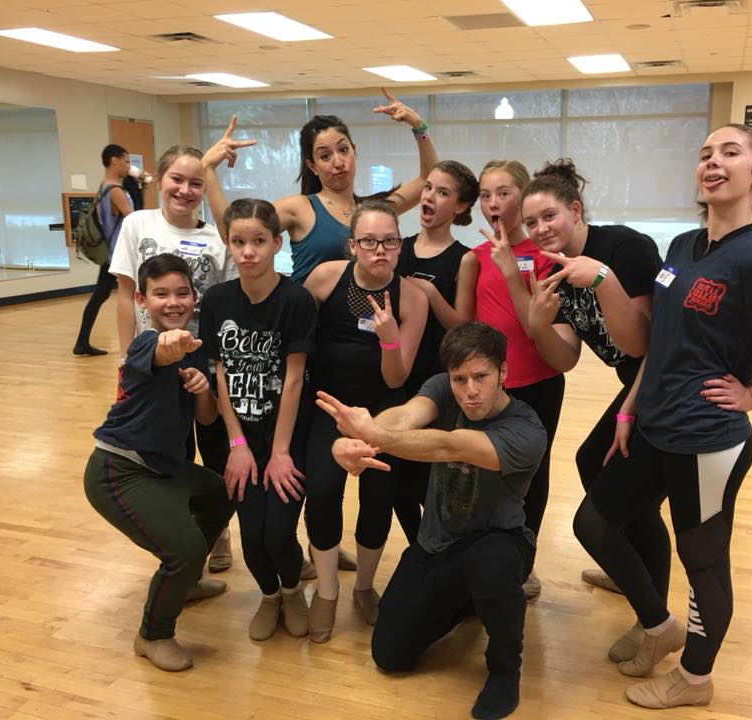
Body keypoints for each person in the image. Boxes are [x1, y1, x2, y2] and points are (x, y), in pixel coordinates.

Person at [574, 124, 752, 708]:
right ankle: (657, 626)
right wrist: (628, 408)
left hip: (706, 440)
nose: (713, 162)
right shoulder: (681, 246)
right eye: (705, 154)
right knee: (593, 524)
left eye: (730, 153)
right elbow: (662, 340)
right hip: (652, 424)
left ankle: (694, 679)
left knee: (702, 562)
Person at [316, 322, 547, 720]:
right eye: (460, 379)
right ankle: (470, 598)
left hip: (499, 540)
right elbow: (406, 416)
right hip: (437, 545)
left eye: (481, 377)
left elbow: (449, 445)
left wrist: (375, 435)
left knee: (491, 564)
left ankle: (505, 669)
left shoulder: (526, 431)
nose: (470, 390)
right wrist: (352, 443)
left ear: (503, 373)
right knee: (390, 654)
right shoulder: (443, 389)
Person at [521, 158, 668, 660]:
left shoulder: (624, 249)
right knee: (593, 463)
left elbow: (643, 342)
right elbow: (565, 359)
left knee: (611, 510)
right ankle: (631, 573)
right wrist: (538, 324)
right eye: (531, 222)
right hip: (639, 387)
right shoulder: (558, 274)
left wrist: (602, 279)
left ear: (576, 210)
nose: (541, 229)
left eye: (549, 216)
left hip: (665, 388)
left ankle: (654, 621)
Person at [84, 253, 233, 672]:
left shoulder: (194, 352)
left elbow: (207, 418)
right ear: (142, 301)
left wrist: (202, 388)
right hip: (118, 470)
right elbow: (161, 352)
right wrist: (172, 345)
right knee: (183, 548)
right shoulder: (144, 345)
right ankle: (152, 635)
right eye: (160, 294)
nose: (173, 302)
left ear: (194, 297)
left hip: (161, 468)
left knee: (221, 494)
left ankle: (187, 583)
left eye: (182, 293)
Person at [302, 199, 427, 642]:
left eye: (390, 242)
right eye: (369, 242)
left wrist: (390, 339)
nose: (380, 251)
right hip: (328, 407)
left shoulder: (413, 297)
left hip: (383, 411)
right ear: (352, 245)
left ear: (400, 246)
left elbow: (397, 378)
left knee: (378, 499)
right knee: (321, 492)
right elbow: (298, 340)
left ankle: (364, 586)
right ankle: (327, 591)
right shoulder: (325, 278)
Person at [110, 144, 237, 573]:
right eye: (176, 180)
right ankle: (183, 536)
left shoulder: (216, 238)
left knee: (215, 449)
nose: (185, 190)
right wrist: (127, 359)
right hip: (155, 361)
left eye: (196, 182)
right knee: (173, 451)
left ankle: (218, 531)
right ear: (160, 180)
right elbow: (125, 295)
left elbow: (224, 301)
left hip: (204, 356)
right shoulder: (137, 224)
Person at [199, 199, 317, 640]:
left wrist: (280, 452)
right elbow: (220, 374)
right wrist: (236, 444)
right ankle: (269, 597)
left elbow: (294, 378)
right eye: (239, 242)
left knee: (278, 534)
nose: (248, 252)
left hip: (287, 434)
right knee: (251, 536)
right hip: (241, 439)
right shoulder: (217, 300)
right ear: (228, 243)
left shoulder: (296, 300)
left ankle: (292, 591)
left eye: (259, 241)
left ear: (277, 243)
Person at [202, 87, 439, 284]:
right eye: (325, 156)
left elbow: (428, 179)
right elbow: (231, 231)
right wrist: (208, 169)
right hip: (309, 319)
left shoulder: (373, 211)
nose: (338, 161)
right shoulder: (299, 208)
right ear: (312, 166)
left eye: (343, 150)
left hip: (360, 320)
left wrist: (418, 126)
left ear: (354, 150)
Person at [471, 160, 565, 598]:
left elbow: (534, 325)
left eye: (504, 193)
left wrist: (511, 267)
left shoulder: (545, 256)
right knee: (487, 473)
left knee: (533, 474)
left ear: (523, 197)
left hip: (539, 382)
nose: (493, 202)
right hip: (491, 387)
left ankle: (523, 565)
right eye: (485, 195)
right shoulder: (475, 257)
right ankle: (488, 558)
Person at [391, 159, 479, 542]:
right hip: (398, 375)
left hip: (437, 383)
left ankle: (446, 548)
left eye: (443, 192)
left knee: (430, 478)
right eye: (428, 187)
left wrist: (429, 293)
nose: (429, 197)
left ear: (460, 206)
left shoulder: (465, 258)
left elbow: (462, 326)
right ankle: (420, 548)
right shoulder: (398, 248)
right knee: (396, 478)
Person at [73, 144, 134, 356]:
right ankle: (83, 342)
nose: (128, 166)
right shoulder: (115, 190)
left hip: (111, 252)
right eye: (126, 161)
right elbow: (133, 219)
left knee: (100, 295)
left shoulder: (104, 186)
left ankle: (82, 342)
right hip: (117, 252)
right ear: (114, 161)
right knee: (111, 295)